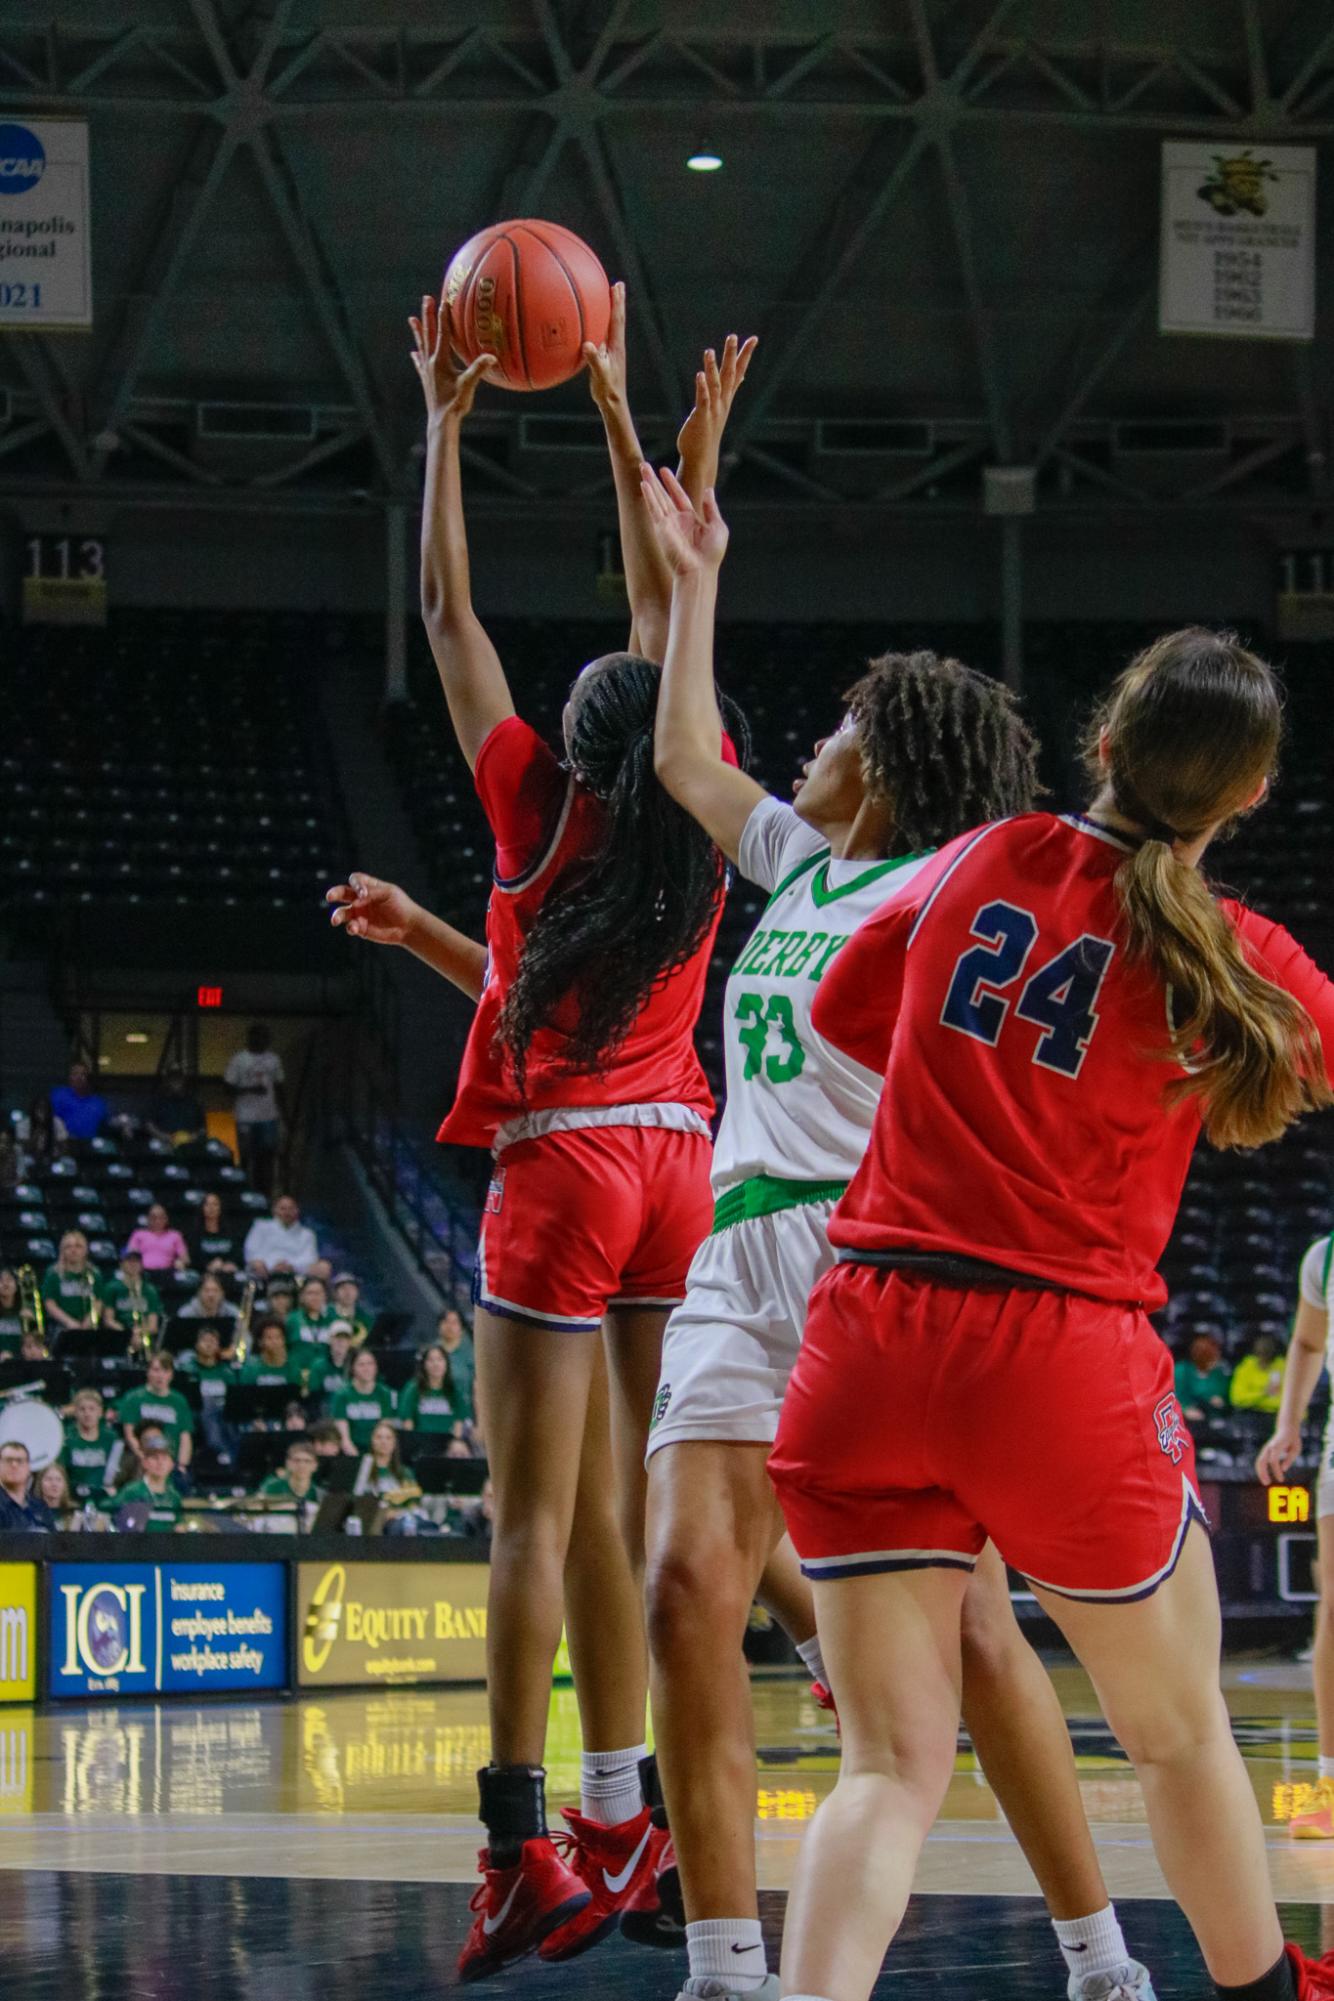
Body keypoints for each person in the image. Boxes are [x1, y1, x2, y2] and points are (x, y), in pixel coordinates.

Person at [637, 461, 1147, 2001]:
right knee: (680, 1587)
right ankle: (724, 1965)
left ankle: (1097, 1952)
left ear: (899, 758)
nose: (808, 742)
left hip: (879, 1270)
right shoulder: (799, 863)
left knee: (977, 1643)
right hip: (736, 1258)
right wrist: (700, 567)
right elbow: (679, 755)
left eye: (840, 727)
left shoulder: (958, 880)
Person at [763, 629, 1334, 2001]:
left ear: (1104, 745)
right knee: (1175, 1733)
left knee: (888, 1771)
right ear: (1243, 798)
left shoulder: (975, 855)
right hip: (1056, 1355)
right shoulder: (1229, 952)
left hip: (869, 1333)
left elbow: (845, 1015)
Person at [365, 281, 760, 1979]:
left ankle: (519, 1844)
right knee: (628, 1510)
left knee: (530, 1521)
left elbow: (451, 613)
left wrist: (446, 420)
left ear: (563, 741)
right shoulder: (696, 796)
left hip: (565, 1169)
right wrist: (634, 436)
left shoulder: (531, 791)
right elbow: (666, 603)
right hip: (681, 1157)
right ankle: (645, 1815)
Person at [1258, 1233, 1334, 1837]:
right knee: (1333, 1610)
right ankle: (1330, 1786)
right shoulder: (1324, 1257)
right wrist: (1290, 1426)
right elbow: (1308, 1341)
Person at [224, 1025, 285, 1195]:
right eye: (259, 1037)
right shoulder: (239, 1059)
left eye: (266, 1038)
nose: (263, 1041)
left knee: (266, 1158)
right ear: (251, 1038)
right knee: (246, 1157)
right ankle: (244, 1193)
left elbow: (280, 1086)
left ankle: (264, 1195)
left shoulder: (274, 1059)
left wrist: (284, 1115)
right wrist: (250, 1090)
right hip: (245, 1117)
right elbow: (227, 1088)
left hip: (269, 1117)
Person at [118, 1350, 194, 1474]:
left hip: (170, 1463)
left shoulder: (179, 1401)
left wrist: (181, 1465)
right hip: (142, 1462)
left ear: (171, 1375)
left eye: (165, 1371)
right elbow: (130, 1435)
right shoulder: (133, 1398)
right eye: (156, 1370)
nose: (160, 1376)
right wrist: (145, 1459)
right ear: (148, 1372)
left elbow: (185, 1437)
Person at [62, 1386, 122, 1509]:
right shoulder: (66, 1437)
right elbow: (61, 1471)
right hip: (72, 1495)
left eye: (92, 1409)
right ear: (75, 1412)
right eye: (82, 1409)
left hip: (103, 1495)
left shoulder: (111, 1438)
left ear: (100, 1412)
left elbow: (116, 1470)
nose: (87, 1413)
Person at [115, 1430, 184, 1531]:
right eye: (155, 1458)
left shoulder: (174, 1497)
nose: (160, 1463)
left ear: (171, 1464)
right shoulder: (132, 1491)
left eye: (164, 1458)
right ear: (145, 1462)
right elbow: (109, 1514)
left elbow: (179, 1527)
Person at [398, 1342, 467, 1440]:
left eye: (440, 1359)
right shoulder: (412, 1388)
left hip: (447, 1444)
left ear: (446, 1363)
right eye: (430, 1360)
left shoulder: (454, 1389)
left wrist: (455, 1443)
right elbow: (408, 1423)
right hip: (420, 1443)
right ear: (424, 1364)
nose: (436, 1364)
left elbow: (458, 1423)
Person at [243, 1194, 322, 1279]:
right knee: (256, 1264)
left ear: (297, 1210)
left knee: (322, 1267)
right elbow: (251, 1251)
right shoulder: (261, 1226)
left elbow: (310, 1258)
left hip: (296, 1274)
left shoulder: (308, 1234)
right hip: (264, 1272)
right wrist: (272, 1266)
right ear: (274, 1210)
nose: (287, 1212)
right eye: (282, 1209)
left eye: (291, 1209)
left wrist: (290, 1266)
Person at [331, 1346, 395, 1453]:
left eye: (371, 1364)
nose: (367, 1368)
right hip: (351, 1450)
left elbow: (385, 1428)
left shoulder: (384, 1393)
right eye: (361, 1364)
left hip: (377, 1449)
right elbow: (344, 1437)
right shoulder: (342, 1395)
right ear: (353, 1368)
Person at [41, 1231, 105, 1334]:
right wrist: (69, 1322)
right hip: (61, 1326)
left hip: (88, 1325)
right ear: (62, 1250)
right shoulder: (53, 1274)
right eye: (68, 1247)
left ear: (86, 1250)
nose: (73, 1250)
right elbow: (50, 1304)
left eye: (78, 1246)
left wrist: (89, 1321)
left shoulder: (94, 1274)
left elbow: (98, 1302)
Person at [102, 1249, 164, 1345]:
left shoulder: (150, 1291)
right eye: (129, 1261)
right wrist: (128, 1334)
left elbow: (153, 1325)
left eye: (136, 1261)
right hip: (119, 1336)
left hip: (143, 1337)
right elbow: (108, 1320)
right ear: (121, 1265)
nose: (133, 1264)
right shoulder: (112, 1288)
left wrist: (140, 1332)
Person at [259, 1436, 322, 1520]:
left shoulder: (319, 1494)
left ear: (315, 1466)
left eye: (307, 1461)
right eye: (297, 1460)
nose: (301, 1465)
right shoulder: (272, 1487)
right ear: (288, 1463)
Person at [0, 1438, 54, 1530]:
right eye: (8, 1460)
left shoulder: (40, 1506)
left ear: (28, 1467)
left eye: (20, 1461)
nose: (14, 1465)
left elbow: (54, 1541)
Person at [239, 1319, 307, 1392]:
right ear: (260, 1342)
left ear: (284, 1340)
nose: (275, 1342)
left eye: (278, 1337)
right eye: (269, 1338)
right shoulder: (251, 1368)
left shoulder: (292, 1368)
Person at [1175, 1334, 1232, 1420]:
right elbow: (1173, 1396)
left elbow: (1225, 1397)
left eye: (1217, 1357)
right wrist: (1185, 1409)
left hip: (1211, 1417)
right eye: (1211, 1358)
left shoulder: (1218, 1373)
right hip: (1182, 1416)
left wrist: (1220, 1401)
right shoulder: (1181, 1371)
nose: (1216, 1361)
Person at [146, 1069, 207, 1148]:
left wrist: (194, 1136)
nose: (176, 1084)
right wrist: (166, 1137)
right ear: (166, 1083)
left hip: (191, 1144)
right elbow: (149, 1124)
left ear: (184, 1083)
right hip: (163, 1143)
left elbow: (203, 1127)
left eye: (179, 1081)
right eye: (173, 1081)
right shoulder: (157, 1101)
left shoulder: (193, 1102)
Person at [434, 1305, 475, 1422]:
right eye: (446, 1321)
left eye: (454, 1322)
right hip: (437, 1411)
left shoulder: (472, 1352)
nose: (449, 1326)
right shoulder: (431, 1351)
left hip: (466, 1414)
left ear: (462, 1328)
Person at [1229, 1332, 1286, 1413]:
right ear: (1255, 1354)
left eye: (1267, 1357)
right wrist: (1263, 1393)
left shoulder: (1283, 1367)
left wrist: (1255, 1401)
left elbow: (1284, 1403)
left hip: (1276, 1414)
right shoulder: (1245, 1367)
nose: (1263, 1360)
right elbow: (1237, 1398)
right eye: (1260, 1355)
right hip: (1250, 1414)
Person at [50, 1060, 107, 1142]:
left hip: (91, 1147)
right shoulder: (58, 1095)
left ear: (88, 1078)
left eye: (83, 1074)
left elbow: (107, 1124)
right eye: (75, 1074)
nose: (79, 1077)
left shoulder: (98, 1102)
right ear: (69, 1077)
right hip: (63, 1144)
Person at [124, 1202, 190, 1272]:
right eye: (153, 1217)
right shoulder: (138, 1234)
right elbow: (130, 1255)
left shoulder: (175, 1235)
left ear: (166, 1219)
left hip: (167, 1273)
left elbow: (186, 1259)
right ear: (147, 1218)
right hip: (143, 1273)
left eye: (161, 1217)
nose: (157, 1221)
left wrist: (180, 1262)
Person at [190, 1191, 242, 1274]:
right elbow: (193, 1259)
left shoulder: (231, 1232)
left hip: (227, 1273)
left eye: (215, 1204)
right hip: (204, 1275)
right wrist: (208, 1266)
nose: (211, 1208)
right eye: (207, 1204)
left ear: (220, 1208)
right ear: (202, 1208)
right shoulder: (195, 1233)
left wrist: (227, 1264)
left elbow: (238, 1256)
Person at [308, 1323, 355, 1405]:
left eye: (345, 1338)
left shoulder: (356, 1365)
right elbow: (313, 1398)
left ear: (350, 1342)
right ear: (329, 1340)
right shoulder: (319, 1366)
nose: (341, 1341)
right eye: (337, 1338)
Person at [286, 1275, 336, 1347]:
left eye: (319, 1293)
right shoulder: (293, 1319)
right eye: (310, 1293)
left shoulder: (331, 1319)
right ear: (302, 1296)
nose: (315, 1297)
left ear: (325, 1296)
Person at [330, 1272, 370, 1344]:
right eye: (343, 1288)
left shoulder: (365, 1316)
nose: (348, 1293)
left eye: (352, 1288)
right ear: (334, 1293)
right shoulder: (327, 1314)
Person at [37, 1458, 78, 1527]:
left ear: (65, 1484)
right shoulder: (31, 1512)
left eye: (59, 1480)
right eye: (49, 1479)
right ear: (40, 1483)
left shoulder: (74, 1512)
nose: (54, 1484)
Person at [0, 1267, 25, 1351]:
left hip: (20, 1361)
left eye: (9, 1280)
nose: (5, 1284)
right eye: (1, 1281)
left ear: (17, 1285)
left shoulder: (26, 1314)